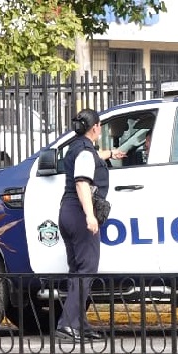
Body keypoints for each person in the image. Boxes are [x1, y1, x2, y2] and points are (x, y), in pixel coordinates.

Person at [55, 108, 125, 341]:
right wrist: (90, 216)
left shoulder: (78, 147)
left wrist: (111, 153)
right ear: (96, 127)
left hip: (67, 212)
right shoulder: (85, 152)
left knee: (77, 271)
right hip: (79, 212)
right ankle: (66, 324)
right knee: (87, 270)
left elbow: (91, 159)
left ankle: (79, 324)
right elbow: (82, 182)